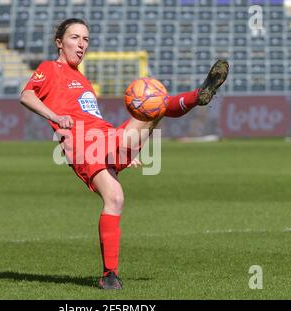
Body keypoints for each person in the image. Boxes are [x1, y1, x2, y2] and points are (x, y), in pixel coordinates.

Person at [20, 18, 229, 290]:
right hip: (83, 144)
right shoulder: (50, 69)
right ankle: (110, 274)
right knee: (118, 188)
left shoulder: (82, 79)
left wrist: (121, 149)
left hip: (105, 137)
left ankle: (198, 95)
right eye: (75, 38)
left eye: (86, 39)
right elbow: (26, 96)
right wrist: (55, 116)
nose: (81, 44)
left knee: (153, 112)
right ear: (59, 42)